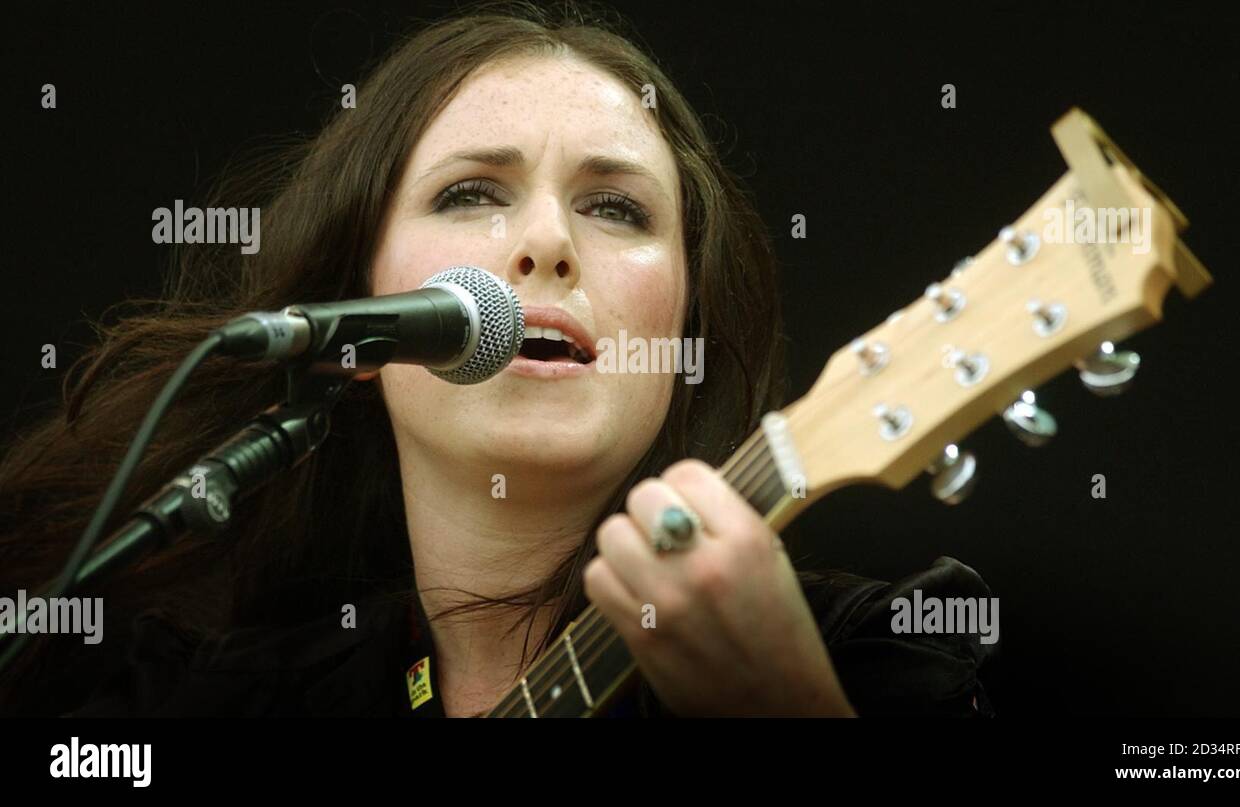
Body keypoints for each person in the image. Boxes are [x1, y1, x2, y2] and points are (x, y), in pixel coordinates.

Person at [0, 0, 994, 717]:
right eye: (470, 193)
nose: (546, 241)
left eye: (617, 207)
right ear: (359, 314)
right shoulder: (199, 699)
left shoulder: (881, 655)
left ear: (684, 329)